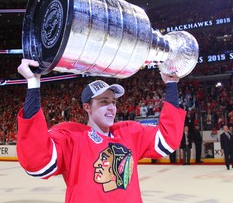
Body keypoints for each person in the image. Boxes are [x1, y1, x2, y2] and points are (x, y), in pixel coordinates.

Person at [16, 59, 186, 203]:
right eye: (104, 102)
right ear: (87, 107)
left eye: (113, 102)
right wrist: (33, 84)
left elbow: (167, 140)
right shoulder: (72, 136)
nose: (111, 107)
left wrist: (171, 84)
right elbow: (37, 162)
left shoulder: (129, 132)